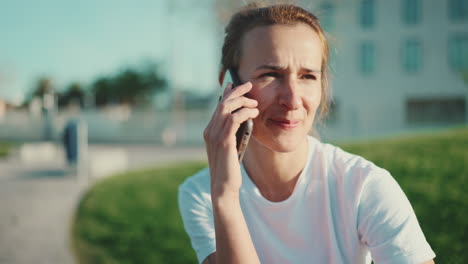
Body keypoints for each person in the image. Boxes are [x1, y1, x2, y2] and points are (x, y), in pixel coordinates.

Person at [178, 3, 436, 264]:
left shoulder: (364, 185)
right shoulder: (202, 194)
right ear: (228, 84)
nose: (292, 100)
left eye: (307, 77)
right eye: (270, 74)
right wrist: (225, 197)